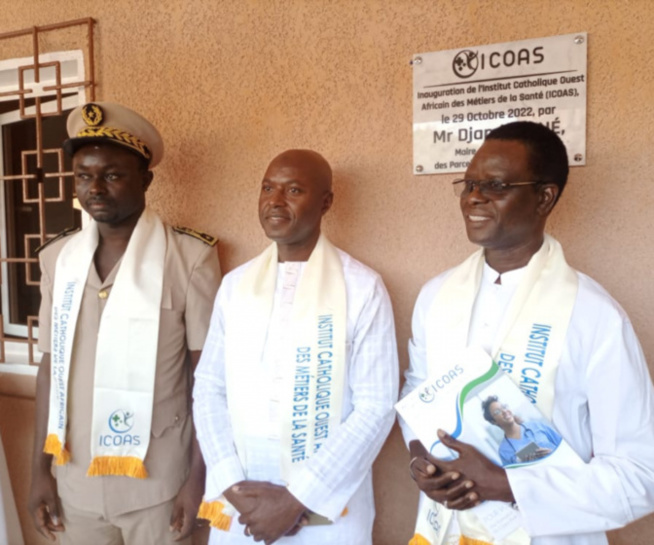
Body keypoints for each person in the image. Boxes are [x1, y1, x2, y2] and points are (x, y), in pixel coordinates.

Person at [400, 121, 654, 545]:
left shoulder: (594, 316)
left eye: (496, 185)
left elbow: (640, 475)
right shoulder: (436, 296)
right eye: (469, 183)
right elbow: (419, 393)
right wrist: (421, 461)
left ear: (544, 197)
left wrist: (506, 485)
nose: (474, 197)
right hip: (443, 530)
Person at [28, 102, 221, 545]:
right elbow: (50, 370)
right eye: (83, 175)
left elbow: (208, 380)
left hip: (159, 485)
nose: (94, 188)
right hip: (74, 482)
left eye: (112, 175)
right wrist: (39, 472)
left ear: (145, 179)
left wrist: (198, 478)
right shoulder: (60, 259)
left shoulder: (189, 259)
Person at [193, 149, 398, 545]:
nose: (275, 200)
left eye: (294, 190)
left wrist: (296, 498)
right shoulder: (236, 286)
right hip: (243, 504)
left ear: (326, 203)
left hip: (329, 509)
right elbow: (208, 388)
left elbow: (376, 405)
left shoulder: (362, 288)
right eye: (268, 188)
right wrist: (232, 484)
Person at [481, 395, 561, 466]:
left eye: (504, 407)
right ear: (493, 422)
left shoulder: (536, 426)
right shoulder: (504, 451)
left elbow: (564, 446)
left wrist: (552, 452)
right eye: (498, 412)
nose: (504, 411)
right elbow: (516, 478)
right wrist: (525, 464)